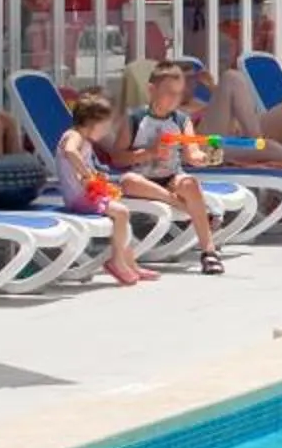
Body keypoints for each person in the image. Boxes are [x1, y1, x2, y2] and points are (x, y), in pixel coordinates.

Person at [53, 91, 160, 289]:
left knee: (123, 218)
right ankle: (116, 261)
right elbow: (69, 151)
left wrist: (96, 175)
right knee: (122, 212)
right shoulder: (73, 136)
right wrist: (87, 175)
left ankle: (131, 265)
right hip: (78, 198)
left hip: (86, 196)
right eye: (105, 125)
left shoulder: (84, 140)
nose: (107, 131)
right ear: (92, 121)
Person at [129, 60, 228, 273]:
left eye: (179, 93)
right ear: (151, 90)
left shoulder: (182, 120)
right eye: (169, 93)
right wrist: (150, 152)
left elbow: (192, 154)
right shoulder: (135, 119)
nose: (175, 98)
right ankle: (195, 211)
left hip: (170, 177)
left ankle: (209, 252)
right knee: (129, 181)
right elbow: (117, 158)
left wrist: (205, 158)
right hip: (141, 179)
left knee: (190, 183)